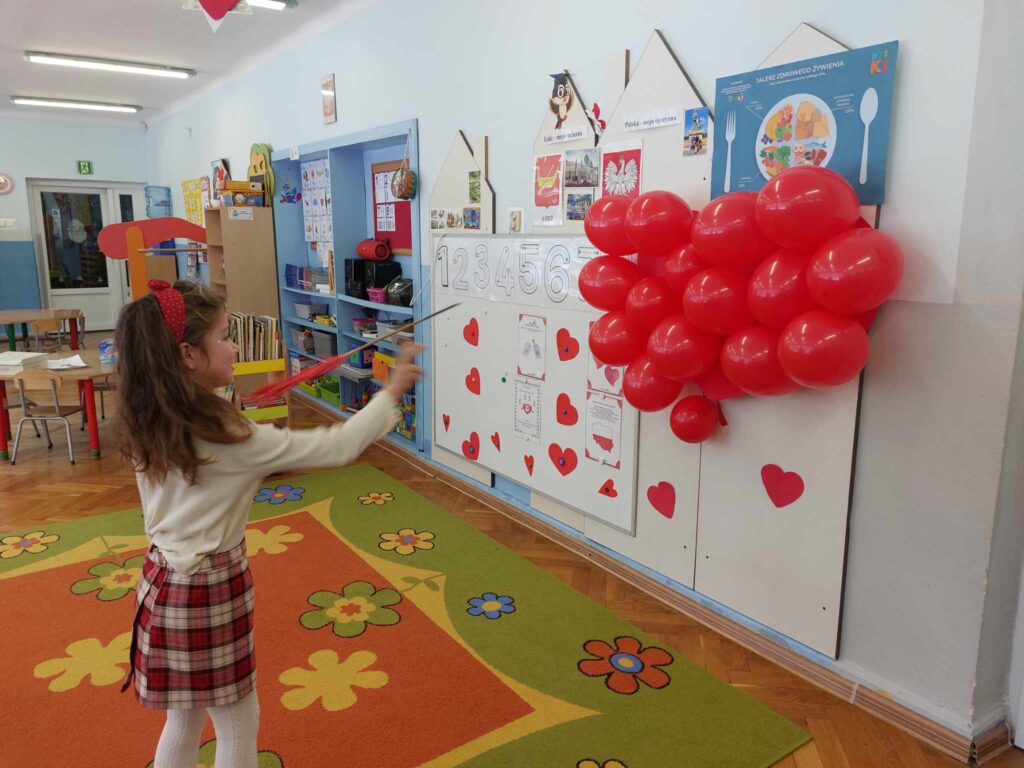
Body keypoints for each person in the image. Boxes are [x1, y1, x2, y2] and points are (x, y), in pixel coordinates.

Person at [113, 279, 421, 768]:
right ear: (188, 355)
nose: (234, 347)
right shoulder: (229, 437)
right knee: (238, 721)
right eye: (224, 337)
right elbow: (338, 446)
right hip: (207, 592)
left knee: (184, 718)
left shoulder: (150, 413)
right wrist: (392, 391)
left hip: (161, 582)